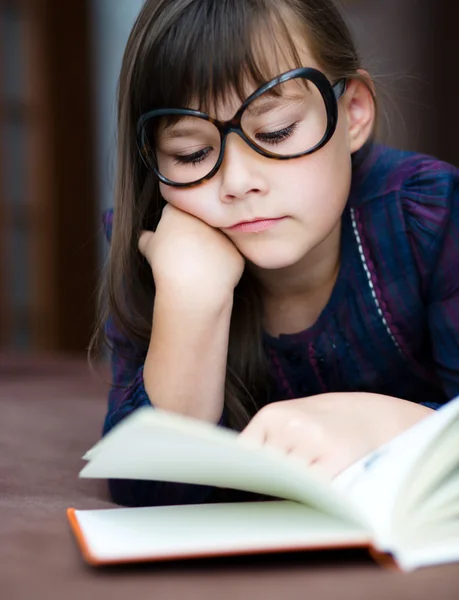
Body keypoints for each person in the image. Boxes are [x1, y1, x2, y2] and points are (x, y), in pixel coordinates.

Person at [91, 0, 459, 507]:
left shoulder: (430, 216)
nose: (238, 182)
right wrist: (193, 303)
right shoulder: (164, 253)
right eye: (192, 154)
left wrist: (383, 429)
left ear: (352, 112)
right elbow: (148, 488)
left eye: (277, 131)